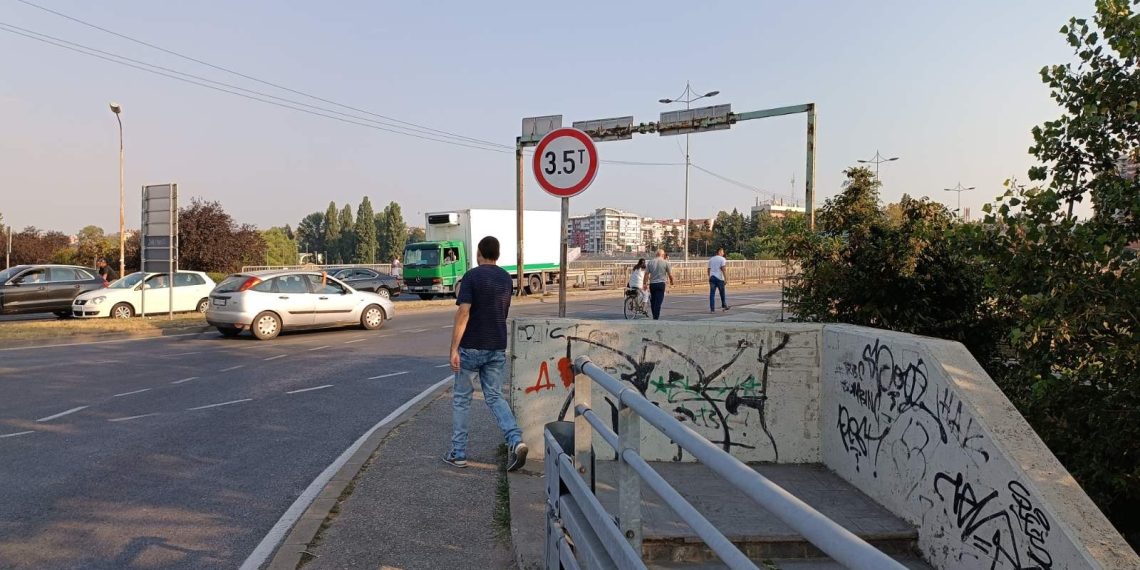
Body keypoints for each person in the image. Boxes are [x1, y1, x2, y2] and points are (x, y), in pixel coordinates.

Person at [446, 236, 527, 471]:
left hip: (471, 346)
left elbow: (463, 312)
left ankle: (458, 453)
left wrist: (453, 349)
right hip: (497, 346)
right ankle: (515, 440)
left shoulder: (472, 276)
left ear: (480, 253)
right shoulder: (505, 278)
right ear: (498, 254)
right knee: (494, 396)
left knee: (462, 399)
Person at [645, 249, 674, 320]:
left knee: (653, 300)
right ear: (663, 255)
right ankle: (656, 317)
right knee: (658, 301)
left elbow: (646, 274)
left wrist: (644, 283)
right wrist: (671, 281)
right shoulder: (666, 262)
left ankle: (654, 315)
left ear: (656, 254)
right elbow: (670, 274)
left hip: (652, 284)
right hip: (661, 284)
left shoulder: (650, 262)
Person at [708, 247, 730, 312]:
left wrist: (709, 276)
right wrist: (726, 278)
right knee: (722, 293)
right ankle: (724, 305)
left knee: (712, 294)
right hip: (719, 278)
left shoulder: (711, 259)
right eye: (723, 252)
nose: (723, 253)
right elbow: (723, 269)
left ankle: (712, 309)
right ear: (719, 252)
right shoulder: (722, 259)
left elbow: (708, 269)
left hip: (712, 277)